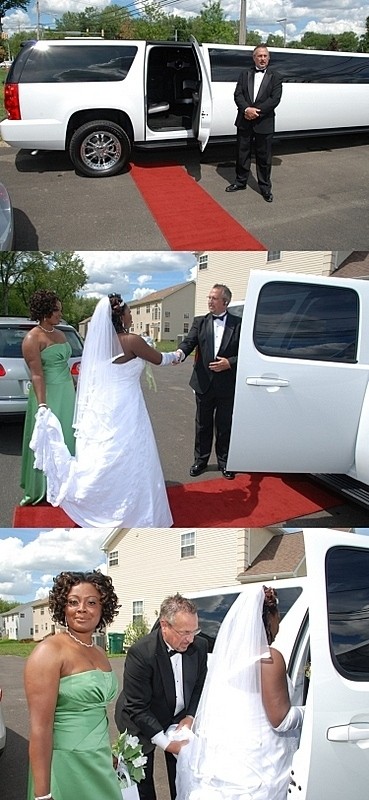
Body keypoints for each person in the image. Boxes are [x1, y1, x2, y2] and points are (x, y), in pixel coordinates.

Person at [29, 294, 179, 527]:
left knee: (109, 453)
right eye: (129, 312)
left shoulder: (98, 344)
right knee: (131, 452)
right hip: (127, 406)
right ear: (120, 316)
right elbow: (161, 359)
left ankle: (107, 498)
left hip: (104, 404)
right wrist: (179, 354)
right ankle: (131, 505)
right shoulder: (132, 341)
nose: (131, 316)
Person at [176, 586, 304, 800]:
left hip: (229, 763)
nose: (279, 621)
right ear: (269, 616)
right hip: (261, 763)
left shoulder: (227, 660)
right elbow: (281, 721)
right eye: (277, 614)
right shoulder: (269, 659)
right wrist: (311, 712)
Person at [24, 570, 122, 800]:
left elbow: (97, 713)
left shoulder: (99, 652)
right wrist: (43, 795)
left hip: (99, 762)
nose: (82, 609)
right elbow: (39, 729)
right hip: (66, 764)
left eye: (91, 602)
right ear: (62, 607)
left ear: (103, 608)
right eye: (73, 602)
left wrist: (107, 751)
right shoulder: (49, 651)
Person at [114, 593, 208, 800]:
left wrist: (189, 717)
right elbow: (137, 707)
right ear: (165, 626)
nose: (191, 639)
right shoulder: (141, 652)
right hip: (137, 718)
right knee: (141, 783)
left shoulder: (199, 646)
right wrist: (165, 743)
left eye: (195, 631)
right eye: (185, 632)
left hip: (176, 718)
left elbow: (200, 685)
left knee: (181, 774)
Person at [175, 284, 241, 480]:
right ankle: (200, 461)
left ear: (225, 302)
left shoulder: (238, 323)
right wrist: (179, 353)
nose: (210, 301)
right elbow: (189, 342)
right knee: (202, 425)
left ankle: (225, 462)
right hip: (203, 383)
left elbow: (247, 351)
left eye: (214, 298)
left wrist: (230, 362)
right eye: (209, 297)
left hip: (227, 384)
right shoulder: (200, 322)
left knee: (224, 425)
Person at [20, 289, 76, 506]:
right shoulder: (32, 338)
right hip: (48, 395)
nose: (60, 314)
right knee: (50, 439)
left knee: (68, 437)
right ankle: (43, 487)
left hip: (67, 392)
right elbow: (36, 374)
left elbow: (66, 365)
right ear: (45, 312)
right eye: (57, 311)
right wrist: (42, 404)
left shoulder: (61, 333)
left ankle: (67, 484)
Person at [225, 44, 283, 202]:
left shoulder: (276, 76)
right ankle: (240, 182)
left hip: (264, 122)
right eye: (259, 56)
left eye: (265, 56)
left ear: (268, 58)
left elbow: (274, 99)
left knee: (264, 158)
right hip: (244, 120)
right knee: (242, 154)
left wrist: (255, 111)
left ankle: (265, 188)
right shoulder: (245, 74)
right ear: (254, 58)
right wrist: (246, 110)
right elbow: (238, 95)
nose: (262, 58)